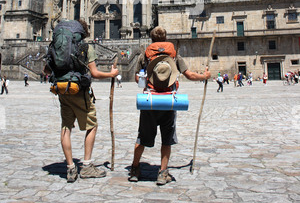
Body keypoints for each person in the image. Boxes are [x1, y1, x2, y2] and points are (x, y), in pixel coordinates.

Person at [128, 26, 211, 186]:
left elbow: (137, 79)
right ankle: (162, 173)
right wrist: (204, 76)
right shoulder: (174, 55)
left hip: (150, 102)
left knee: (142, 138)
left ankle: (135, 170)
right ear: (165, 38)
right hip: (169, 101)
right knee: (167, 139)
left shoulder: (144, 55)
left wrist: (147, 81)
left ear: (151, 39)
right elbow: (189, 75)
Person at [45, 19, 119, 183]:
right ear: (84, 33)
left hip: (62, 90)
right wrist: (111, 74)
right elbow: (94, 73)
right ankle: (86, 166)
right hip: (79, 91)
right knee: (91, 125)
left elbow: (46, 70)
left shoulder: (55, 46)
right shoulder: (85, 47)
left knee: (66, 127)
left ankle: (70, 167)